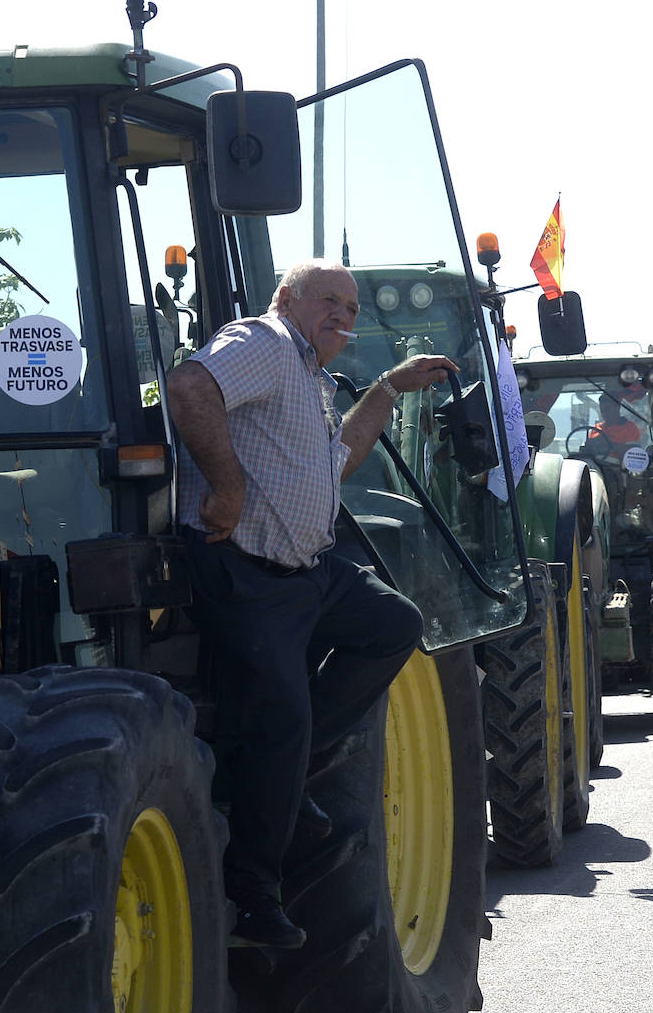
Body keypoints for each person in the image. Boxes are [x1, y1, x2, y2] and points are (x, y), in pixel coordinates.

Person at [167, 259, 457, 948]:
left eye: (351, 309)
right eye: (328, 300)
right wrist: (226, 484)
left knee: (394, 625)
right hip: (249, 573)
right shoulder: (264, 343)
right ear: (286, 299)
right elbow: (187, 386)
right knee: (282, 718)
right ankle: (253, 897)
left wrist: (386, 389)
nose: (343, 316)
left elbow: (338, 462)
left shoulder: (310, 377)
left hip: (307, 572)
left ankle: (286, 774)